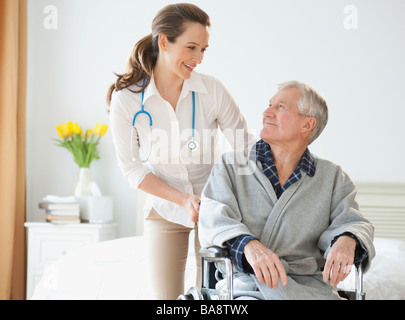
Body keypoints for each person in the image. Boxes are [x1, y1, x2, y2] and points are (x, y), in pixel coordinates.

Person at [107, 3, 255, 300]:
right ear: (164, 41)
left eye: (203, 50)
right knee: (166, 302)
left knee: (212, 298)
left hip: (216, 208)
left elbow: (244, 146)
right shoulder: (127, 101)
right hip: (165, 207)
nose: (198, 58)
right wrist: (183, 199)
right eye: (191, 48)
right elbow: (132, 169)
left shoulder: (212, 91)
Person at [199, 81, 375, 299]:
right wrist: (249, 245)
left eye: (280, 107)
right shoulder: (230, 166)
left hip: (312, 290)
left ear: (307, 124)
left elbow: (355, 221)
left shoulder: (332, 177)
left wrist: (348, 239)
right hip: (248, 289)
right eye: (269, 105)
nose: (266, 112)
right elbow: (212, 216)